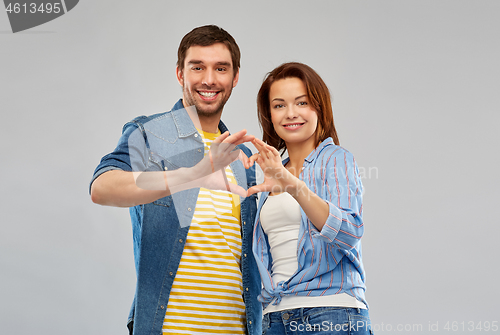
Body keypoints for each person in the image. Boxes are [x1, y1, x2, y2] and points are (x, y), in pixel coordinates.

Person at [90, 25, 262, 335]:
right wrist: (192, 175)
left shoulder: (240, 154)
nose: (209, 79)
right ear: (181, 74)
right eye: (197, 67)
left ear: (235, 77)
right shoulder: (150, 134)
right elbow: (102, 188)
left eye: (220, 68)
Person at [247, 62, 372, 334]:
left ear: (319, 107)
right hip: (275, 317)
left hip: (331, 313)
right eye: (279, 105)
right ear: (269, 114)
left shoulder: (336, 160)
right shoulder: (270, 172)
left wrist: (292, 184)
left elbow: (349, 232)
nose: (290, 113)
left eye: (301, 103)